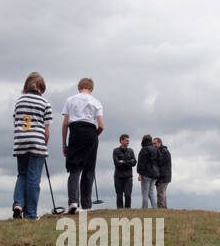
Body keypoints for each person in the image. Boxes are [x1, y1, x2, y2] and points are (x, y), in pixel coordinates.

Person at [12, 72, 52, 220]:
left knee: (22, 175)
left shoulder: (19, 101)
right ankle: (31, 214)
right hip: (37, 143)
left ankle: (18, 204)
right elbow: (46, 131)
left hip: (20, 142)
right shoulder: (45, 103)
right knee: (34, 180)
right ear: (42, 88)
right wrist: (44, 145)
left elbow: (16, 121)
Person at [61, 77, 104, 214]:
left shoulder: (70, 100)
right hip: (91, 132)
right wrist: (94, 136)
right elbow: (102, 126)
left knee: (74, 169)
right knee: (89, 170)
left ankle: (73, 202)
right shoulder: (96, 101)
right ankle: (87, 205)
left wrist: (64, 144)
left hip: (75, 131)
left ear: (79, 87)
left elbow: (65, 124)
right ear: (91, 89)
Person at [112, 134, 136, 208]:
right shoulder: (115, 151)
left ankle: (128, 209)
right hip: (118, 177)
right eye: (126, 141)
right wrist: (129, 162)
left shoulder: (131, 151)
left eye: (128, 141)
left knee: (128, 194)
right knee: (119, 195)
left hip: (128, 177)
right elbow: (117, 164)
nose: (128, 142)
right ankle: (120, 210)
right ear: (121, 141)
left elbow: (134, 162)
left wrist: (124, 162)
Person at [137, 134, 158, 208]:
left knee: (145, 193)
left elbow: (141, 162)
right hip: (155, 174)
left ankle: (144, 209)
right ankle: (155, 208)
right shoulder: (155, 149)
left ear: (143, 140)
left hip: (146, 174)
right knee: (151, 193)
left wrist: (140, 173)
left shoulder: (144, 149)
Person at [153, 135, 172, 208]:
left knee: (161, 193)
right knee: (161, 192)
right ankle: (163, 208)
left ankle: (161, 208)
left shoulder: (164, 151)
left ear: (159, 143)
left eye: (155, 143)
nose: (153, 145)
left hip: (163, 176)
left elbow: (160, 163)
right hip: (162, 176)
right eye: (153, 144)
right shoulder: (160, 151)